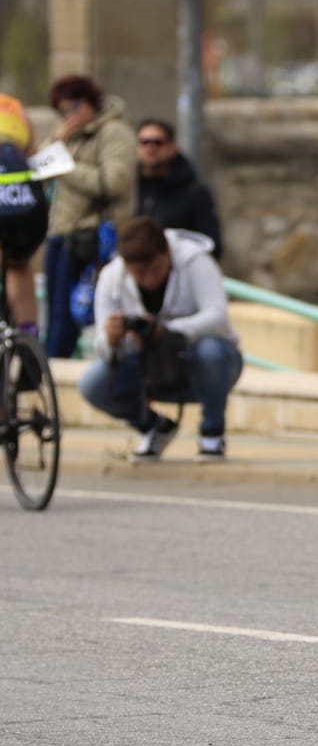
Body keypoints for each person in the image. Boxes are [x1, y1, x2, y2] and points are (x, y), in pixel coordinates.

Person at [78, 216, 242, 462]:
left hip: (197, 364)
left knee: (212, 350)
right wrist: (112, 339)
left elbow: (217, 315)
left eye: (153, 270)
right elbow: (103, 347)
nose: (147, 279)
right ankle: (154, 427)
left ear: (166, 252)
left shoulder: (195, 261)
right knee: (93, 384)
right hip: (147, 366)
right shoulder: (112, 277)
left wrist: (167, 331)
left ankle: (212, 433)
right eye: (138, 274)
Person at [42, 74, 135, 358]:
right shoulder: (69, 136)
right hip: (60, 233)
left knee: (70, 315)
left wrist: (65, 168)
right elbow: (39, 168)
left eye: (75, 107)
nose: (70, 116)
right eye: (63, 111)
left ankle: (53, 372)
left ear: (91, 102)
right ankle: (48, 370)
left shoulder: (114, 132)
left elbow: (114, 181)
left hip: (91, 235)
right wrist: (56, 143)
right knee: (55, 311)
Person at [134, 119, 222, 259]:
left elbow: (211, 244)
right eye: (144, 142)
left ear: (172, 147)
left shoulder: (194, 193)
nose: (150, 148)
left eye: (158, 142)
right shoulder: (129, 190)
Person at [0, 91, 48, 333]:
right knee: (20, 265)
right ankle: (28, 338)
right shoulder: (14, 107)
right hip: (27, 203)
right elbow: (33, 155)